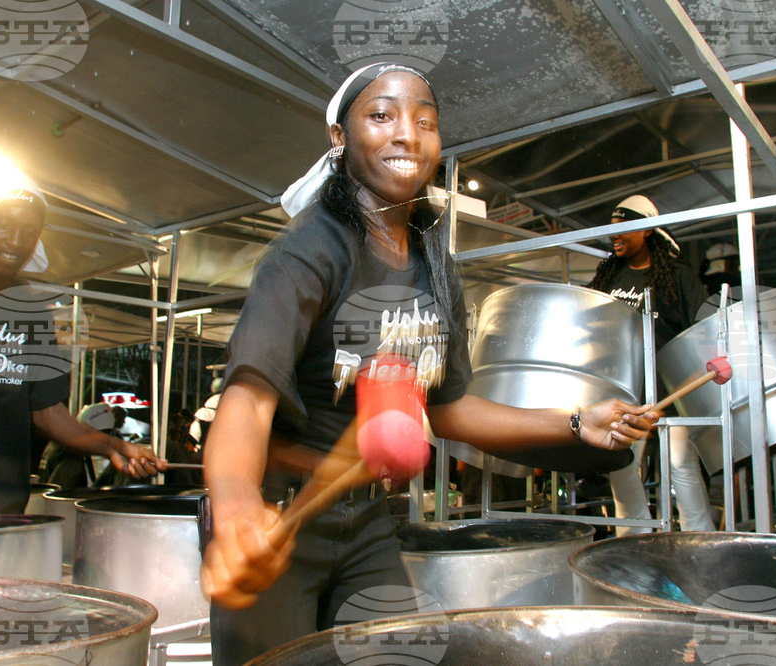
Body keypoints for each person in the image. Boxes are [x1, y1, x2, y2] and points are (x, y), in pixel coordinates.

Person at [200, 63, 659, 665]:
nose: (407, 135)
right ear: (340, 139)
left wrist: (578, 423)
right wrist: (236, 508)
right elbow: (248, 398)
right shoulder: (309, 250)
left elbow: (451, 409)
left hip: (365, 518)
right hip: (277, 510)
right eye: (381, 115)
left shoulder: (434, 265)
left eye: (425, 121)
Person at [0, 171, 166, 515]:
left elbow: (48, 412)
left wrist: (113, 446)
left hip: (1, 509)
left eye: (29, 231)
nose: (15, 241)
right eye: (3, 224)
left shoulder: (30, 310)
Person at [587, 194, 716, 534]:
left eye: (625, 229)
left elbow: (705, 328)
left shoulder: (677, 276)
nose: (615, 236)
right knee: (622, 465)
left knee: (681, 465)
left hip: (671, 389)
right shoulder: (607, 278)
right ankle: (634, 539)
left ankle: (699, 538)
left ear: (646, 231)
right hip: (623, 389)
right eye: (612, 230)